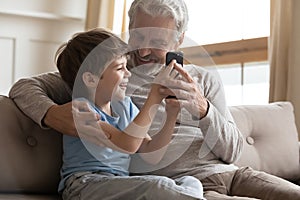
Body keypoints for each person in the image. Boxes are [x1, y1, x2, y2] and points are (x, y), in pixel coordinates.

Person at [9, 0, 300, 199]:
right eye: (139, 37)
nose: (145, 51)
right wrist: (50, 114)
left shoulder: (203, 80)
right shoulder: (103, 74)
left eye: (158, 42)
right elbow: (24, 87)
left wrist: (202, 108)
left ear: (179, 41)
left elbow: (233, 151)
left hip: (227, 174)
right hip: (166, 185)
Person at [55, 28, 204, 200]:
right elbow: (128, 144)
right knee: (159, 186)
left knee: (191, 182)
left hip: (120, 182)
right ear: (90, 79)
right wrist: (155, 95)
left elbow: (152, 154)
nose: (128, 73)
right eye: (120, 68)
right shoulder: (80, 111)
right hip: (85, 185)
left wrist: (172, 115)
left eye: (127, 66)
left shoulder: (125, 106)